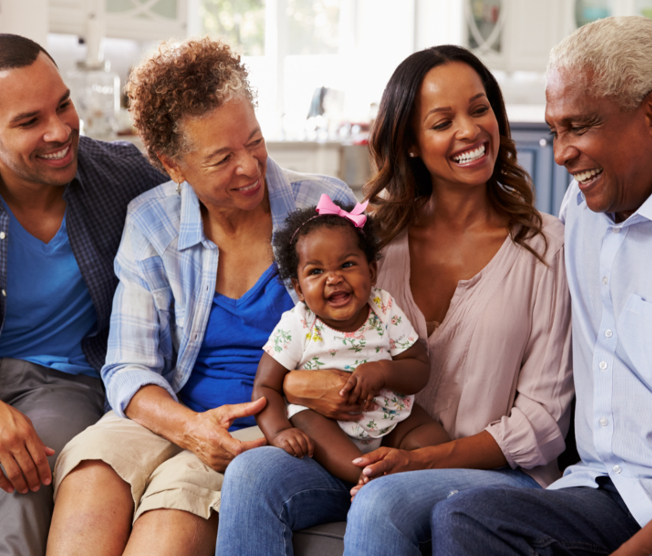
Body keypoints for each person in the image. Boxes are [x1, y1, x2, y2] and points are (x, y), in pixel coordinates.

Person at [216, 45, 573, 556]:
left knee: (384, 501)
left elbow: (541, 425)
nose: (470, 131)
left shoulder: (546, 248)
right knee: (252, 471)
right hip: (368, 456)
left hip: (493, 474)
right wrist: (293, 384)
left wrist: (417, 463)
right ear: (410, 142)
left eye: (479, 109)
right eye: (442, 121)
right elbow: (308, 341)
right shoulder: (371, 236)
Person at [45, 37, 357, 556]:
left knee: (173, 507)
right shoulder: (152, 221)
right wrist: (191, 427)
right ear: (173, 165)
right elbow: (127, 367)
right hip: (172, 410)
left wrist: (295, 388)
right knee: (93, 469)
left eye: (254, 140)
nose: (250, 167)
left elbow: (365, 342)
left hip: (270, 425)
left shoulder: (322, 207)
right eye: (221, 158)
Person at [427, 16, 652, 556]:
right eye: (555, 131)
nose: (560, 153)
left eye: (579, 127)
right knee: (466, 518)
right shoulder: (579, 214)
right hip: (600, 488)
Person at [0, 34, 167, 556]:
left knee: (26, 475)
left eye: (64, 104)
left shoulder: (122, 176)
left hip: (62, 382)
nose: (60, 131)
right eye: (29, 121)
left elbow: (212, 201)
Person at [254, 195, 450, 483]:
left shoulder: (383, 308)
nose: (333, 279)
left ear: (371, 272)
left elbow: (419, 367)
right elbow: (265, 386)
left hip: (390, 416)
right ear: (299, 289)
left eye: (346, 265)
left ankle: (407, 479)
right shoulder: (298, 324)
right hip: (327, 423)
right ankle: (365, 480)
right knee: (310, 421)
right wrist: (280, 431)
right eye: (316, 271)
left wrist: (384, 371)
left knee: (435, 441)